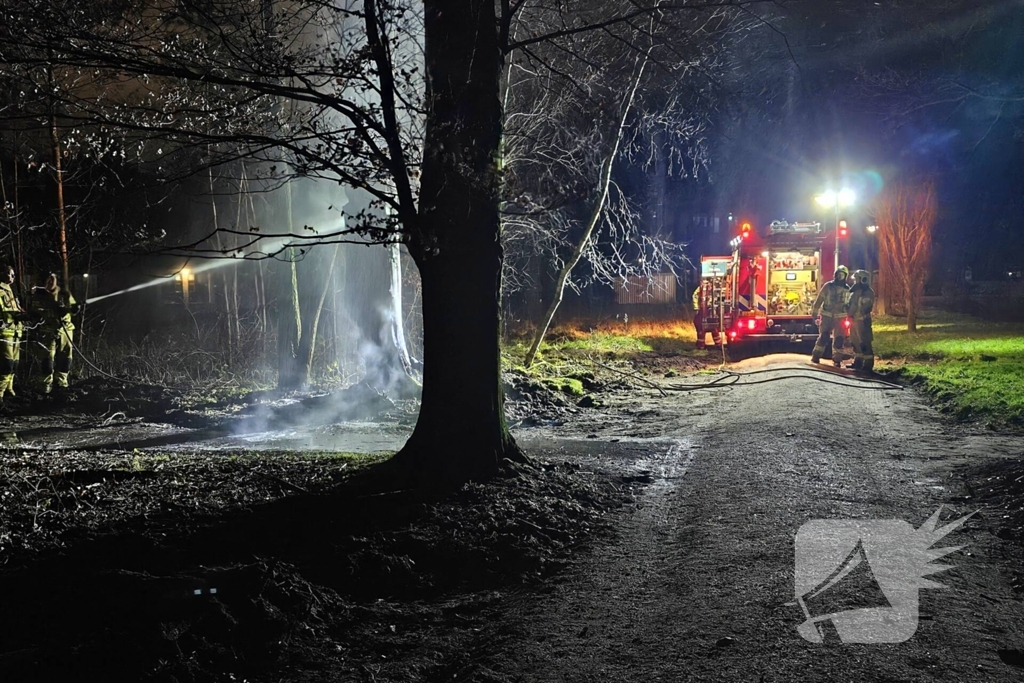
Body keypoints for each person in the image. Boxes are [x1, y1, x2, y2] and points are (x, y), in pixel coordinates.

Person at [30, 273, 78, 394]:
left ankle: (61, 383)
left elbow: (73, 307)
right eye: (48, 280)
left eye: (52, 280)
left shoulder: (65, 294)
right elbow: (36, 311)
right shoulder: (39, 295)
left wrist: (74, 309)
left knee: (66, 357)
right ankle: (45, 385)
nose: (50, 282)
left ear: (57, 281)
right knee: (47, 358)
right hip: (48, 330)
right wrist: (50, 312)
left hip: (66, 329)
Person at [811, 265, 851, 365]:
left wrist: (851, 316)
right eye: (839, 274)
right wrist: (815, 312)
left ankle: (837, 359)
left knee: (839, 340)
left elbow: (850, 304)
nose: (840, 276)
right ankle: (816, 356)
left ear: (845, 276)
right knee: (824, 337)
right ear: (835, 275)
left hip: (841, 318)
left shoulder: (848, 289)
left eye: (842, 275)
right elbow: (819, 299)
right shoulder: (828, 286)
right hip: (827, 317)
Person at [0, 263, 25, 402]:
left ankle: (9, 389)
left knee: (14, 363)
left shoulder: (10, 290)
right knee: (7, 364)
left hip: (16, 332)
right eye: (11, 274)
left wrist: (25, 315)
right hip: (5, 333)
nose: (13, 277)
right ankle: (0, 392)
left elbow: (15, 309)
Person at [847, 269, 875, 372]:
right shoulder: (855, 292)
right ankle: (858, 362)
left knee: (864, 342)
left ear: (863, 279)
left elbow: (866, 307)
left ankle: (868, 364)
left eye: (857, 279)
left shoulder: (868, 292)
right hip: (854, 320)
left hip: (862, 320)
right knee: (855, 341)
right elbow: (851, 304)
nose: (855, 281)